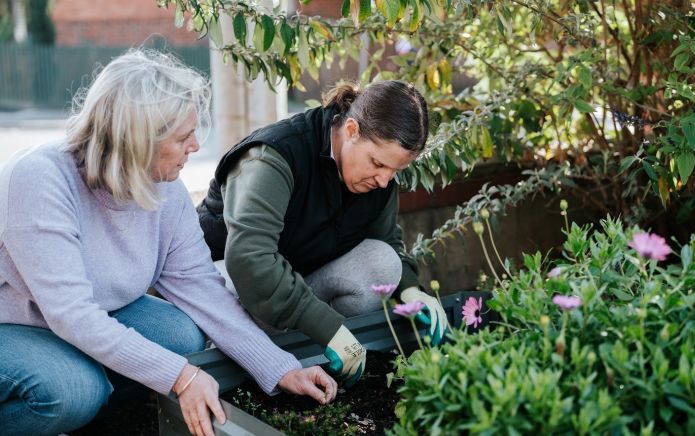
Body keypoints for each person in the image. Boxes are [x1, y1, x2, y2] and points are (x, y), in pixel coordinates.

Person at [0, 49, 337, 436]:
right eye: (183, 137)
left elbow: (199, 286)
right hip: (13, 324)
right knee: (76, 391)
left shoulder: (164, 188)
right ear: (138, 141)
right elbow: (73, 316)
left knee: (181, 336)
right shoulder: (39, 180)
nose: (195, 147)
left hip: (76, 317)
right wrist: (182, 377)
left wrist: (280, 367)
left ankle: (105, 420)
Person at [197, 80, 450, 387]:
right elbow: (250, 259)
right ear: (352, 130)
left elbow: (386, 241)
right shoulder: (273, 156)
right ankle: (238, 370)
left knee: (382, 263)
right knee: (231, 289)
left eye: (394, 171)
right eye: (378, 164)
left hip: (293, 289)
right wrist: (329, 327)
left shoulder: (375, 178)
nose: (385, 181)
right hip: (231, 286)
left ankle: (315, 358)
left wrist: (412, 291)